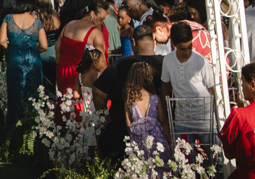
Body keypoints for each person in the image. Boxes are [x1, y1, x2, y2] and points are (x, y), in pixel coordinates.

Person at [87, 31, 165, 164]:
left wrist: (104, 113)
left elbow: (98, 90)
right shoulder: (166, 63)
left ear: (133, 42)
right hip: (159, 136)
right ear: (154, 42)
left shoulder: (120, 64)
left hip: (122, 133)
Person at [159, 21, 217, 145]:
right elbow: (165, 89)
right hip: (181, 121)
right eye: (182, 49)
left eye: (189, 47)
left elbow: (214, 90)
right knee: (183, 160)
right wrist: (166, 116)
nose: (186, 52)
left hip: (205, 121)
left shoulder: (201, 61)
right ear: (174, 44)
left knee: (214, 160)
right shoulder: (168, 60)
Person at [54, 0, 107, 114]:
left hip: (63, 71)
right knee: (81, 107)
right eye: (101, 20)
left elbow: (57, 48)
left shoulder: (68, 25)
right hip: (80, 74)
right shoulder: (94, 31)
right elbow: (102, 61)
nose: (101, 23)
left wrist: (63, 65)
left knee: (65, 105)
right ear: (92, 14)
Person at [0, 0, 48, 123]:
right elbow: (44, 45)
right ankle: (29, 130)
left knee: (14, 95)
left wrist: (11, 49)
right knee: (32, 96)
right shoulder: (36, 22)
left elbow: (2, 41)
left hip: (15, 59)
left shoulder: (8, 18)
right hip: (33, 61)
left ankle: (12, 131)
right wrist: (33, 50)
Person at [124, 58, 171, 161]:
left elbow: (128, 124)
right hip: (156, 138)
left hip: (138, 138)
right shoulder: (155, 98)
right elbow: (163, 121)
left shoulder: (129, 99)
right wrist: (170, 141)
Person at [35, 0, 61, 92]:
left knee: (40, 86)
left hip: (40, 51)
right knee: (53, 84)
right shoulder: (54, 14)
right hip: (53, 52)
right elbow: (58, 31)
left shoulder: (34, 16)